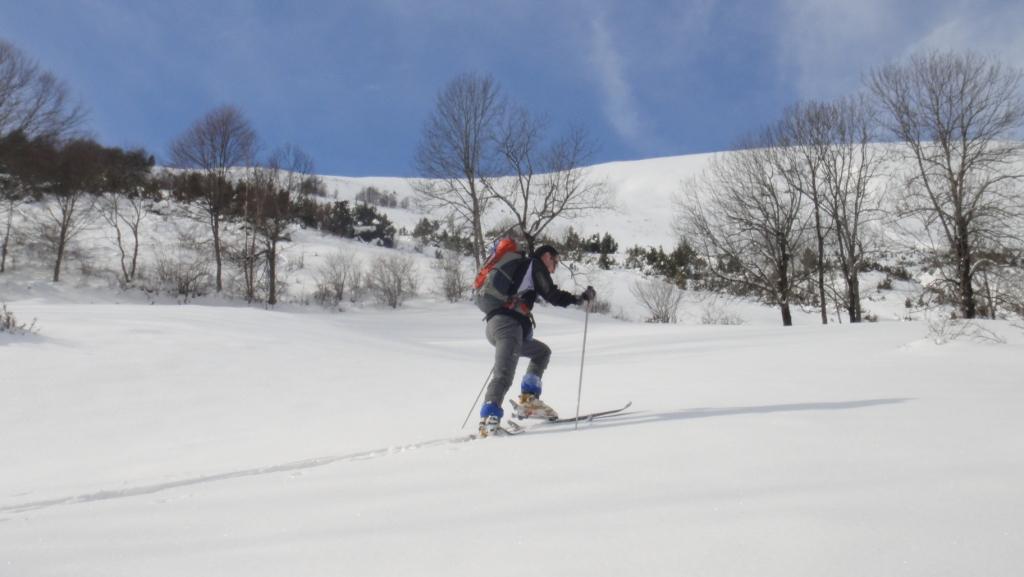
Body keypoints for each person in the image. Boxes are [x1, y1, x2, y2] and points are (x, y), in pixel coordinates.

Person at [476, 244, 596, 437]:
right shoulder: (534, 265)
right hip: (508, 325)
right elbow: (553, 295)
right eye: (555, 260)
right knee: (503, 374)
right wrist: (580, 299)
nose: (555, 266)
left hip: (498, 326)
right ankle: (489, 420)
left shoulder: (523, 269)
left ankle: (529, 401)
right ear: (546, 256)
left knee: (541, 352)